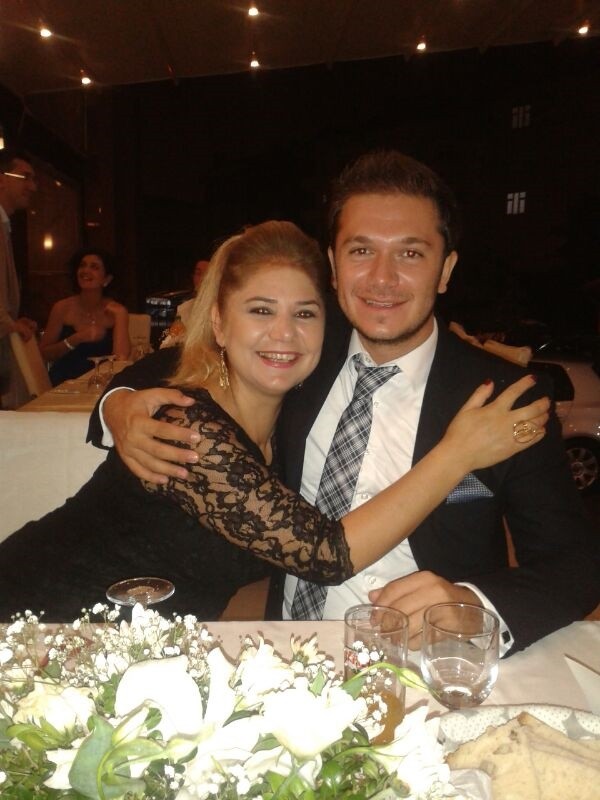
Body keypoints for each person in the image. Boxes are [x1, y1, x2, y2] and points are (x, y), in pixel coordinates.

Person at [94, 152, 599, 656]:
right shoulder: (301, 350)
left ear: (445, 270)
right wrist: (119, 405)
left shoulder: (503, 397)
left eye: (410, 253)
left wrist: (470, 605)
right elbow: (189, 356)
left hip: (422, 659)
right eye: (361, 251)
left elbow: (575, 566)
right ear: (334, 265)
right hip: (285, 653)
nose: (382, 278)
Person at [0, 220, 546, 621]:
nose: (284, 334)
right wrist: (457, 453)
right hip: (39, 620)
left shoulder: (291, 409)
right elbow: (326, 555)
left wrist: (117, 399)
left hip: (138, 651)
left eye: (304, 313)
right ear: (218, 322)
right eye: (260, 310)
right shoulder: (189, 428)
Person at [40, 247, 130, 385]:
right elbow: (44, 354)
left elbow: (121, 359)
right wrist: (76, 339)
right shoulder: (62, 308)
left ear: (107, 279)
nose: (85, 271)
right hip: (64, 384)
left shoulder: (116, 311)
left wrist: (120, 316)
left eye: (94, 267)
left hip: (101, 383)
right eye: (82, 265)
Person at [0, 148, 38, 408]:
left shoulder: (5, 226)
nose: (32, 187)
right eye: (25, 177)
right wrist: (8, 324)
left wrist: (12, 321)